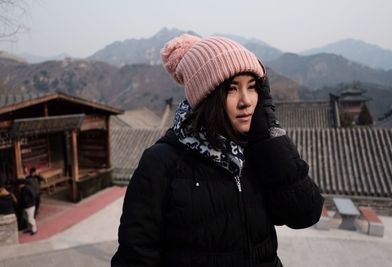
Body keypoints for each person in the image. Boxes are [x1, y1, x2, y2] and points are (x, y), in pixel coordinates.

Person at [112, 34, 324, 267]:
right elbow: (135, 257)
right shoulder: (161, 163)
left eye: (252, 88)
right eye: (232, 89)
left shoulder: (260, 152)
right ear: (207, 96)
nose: (246, 101)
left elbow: (305, 213)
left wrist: (269, 128)